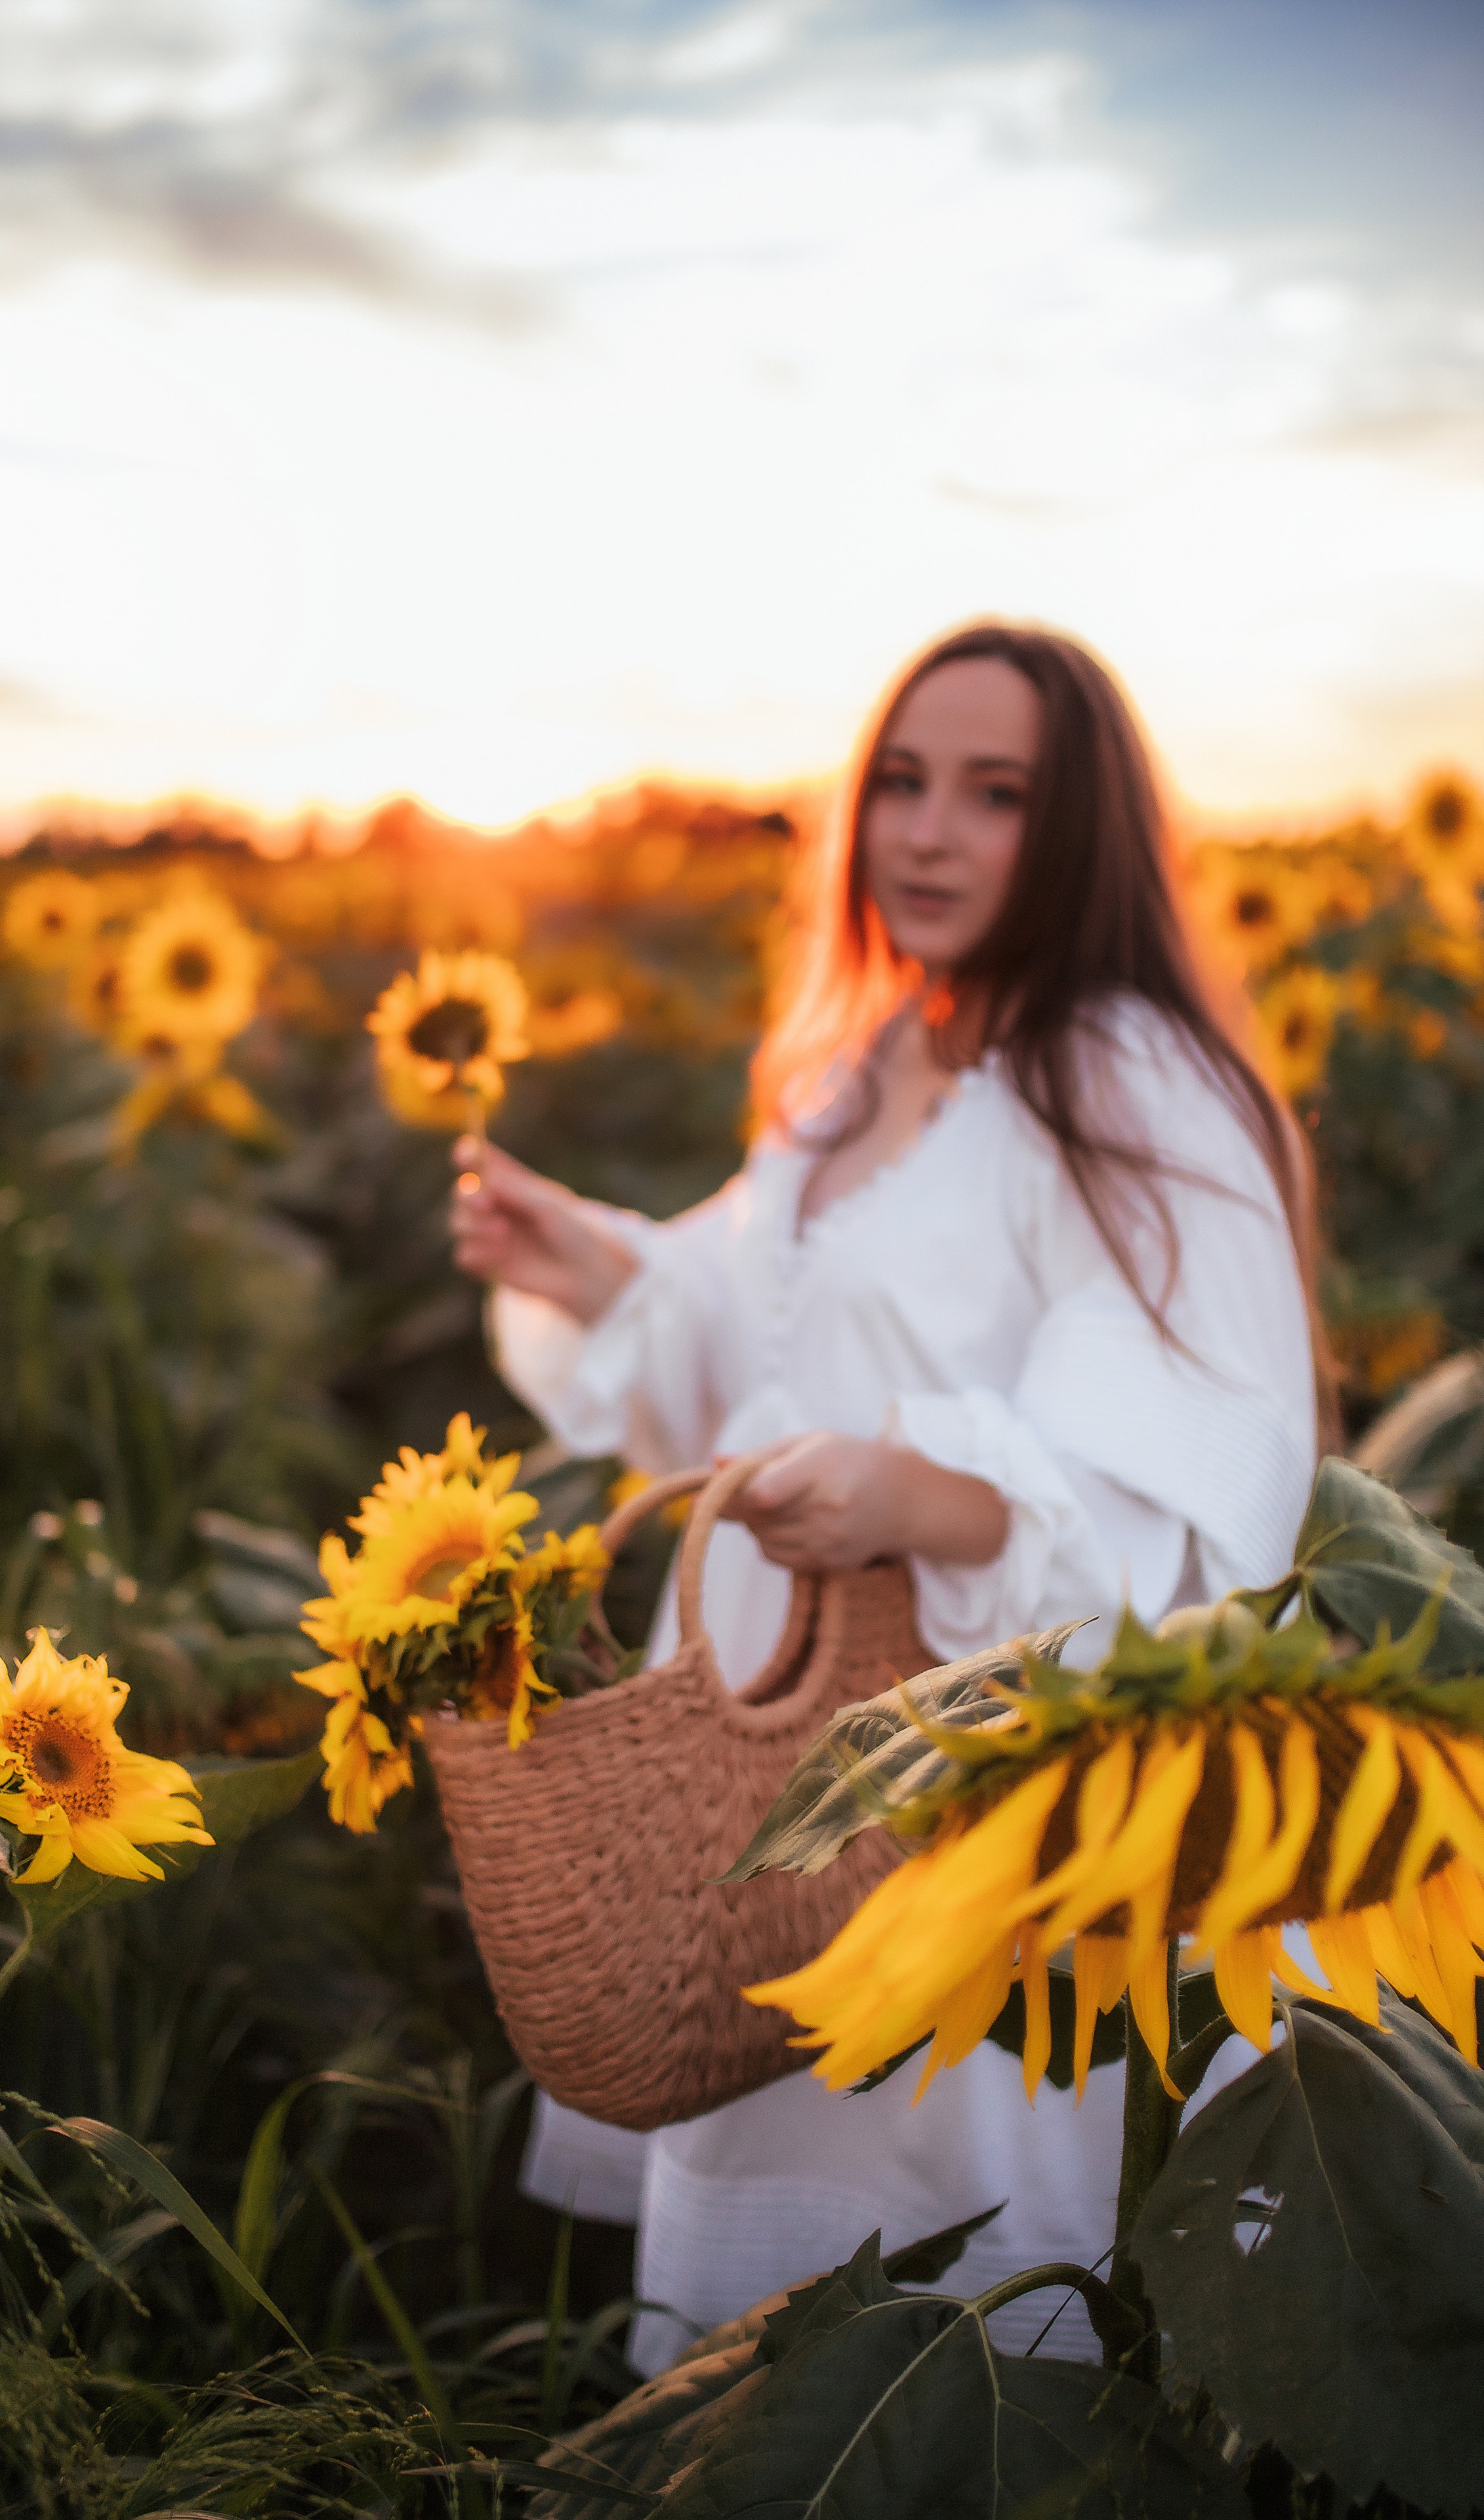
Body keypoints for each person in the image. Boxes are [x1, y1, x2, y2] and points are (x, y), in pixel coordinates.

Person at [448, 621, 1324, 2371]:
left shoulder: (1129, 1086)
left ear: (1078, 833)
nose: (926, 833)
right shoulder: (863, 1064)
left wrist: (913, 1496)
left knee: (954, 2294)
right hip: (779, 1759)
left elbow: (1192, 1462)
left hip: (967, 1764)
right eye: (903, 783)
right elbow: (754, 1334)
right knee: (776, 2339)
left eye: (995, 795)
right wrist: (597, 1267)